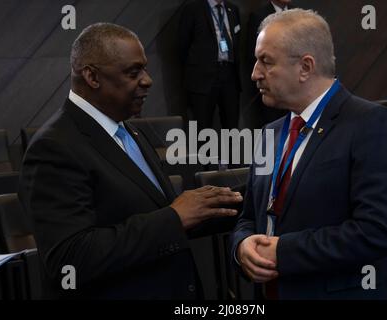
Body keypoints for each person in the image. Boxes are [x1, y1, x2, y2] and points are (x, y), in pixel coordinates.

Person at [19, 23, 243, 299]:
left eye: (145, 69)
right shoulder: (54, 147)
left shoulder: (129, 129)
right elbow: (69, 258)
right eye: (133, 72)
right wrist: (173, 217)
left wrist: (256, 194)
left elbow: (159, 217)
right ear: (92, 76)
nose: (148, 80)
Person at [230, 9, 387, 300]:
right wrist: (242, 246)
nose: (254, 73)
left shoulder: (372, 123)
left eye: (266, 61)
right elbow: (249, 217)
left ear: (305, 67)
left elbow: (379, 230)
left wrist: (283, 251)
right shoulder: (269, 134)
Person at [178, 0, 241, 131]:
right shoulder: (193, 8)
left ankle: (231, 152)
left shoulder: (232, 9)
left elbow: (237, 41)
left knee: (231, 127)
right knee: (202, 128)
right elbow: (182, 45)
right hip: (202, 77)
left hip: (229, 74)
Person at [246, 1, 294, 129]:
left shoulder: (299, 15)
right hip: (271, 84)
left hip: (294, 84)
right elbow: (254, 54)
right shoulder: (258, 16)